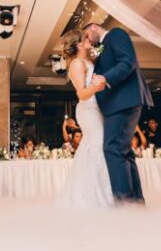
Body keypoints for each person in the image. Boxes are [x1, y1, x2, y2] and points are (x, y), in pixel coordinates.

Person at [84, 23, 153, 205]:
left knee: (112, 148)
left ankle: (124, 203)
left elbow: (127, 61)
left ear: (94, 27)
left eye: (87, 36)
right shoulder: (103, 46)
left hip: (122, 102)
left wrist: (106, 78)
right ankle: (135, 202)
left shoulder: (115, 34)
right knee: (124, 152)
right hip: (118, 104)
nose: (89, 41)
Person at [57, 29, 114, 208]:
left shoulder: (89, 59)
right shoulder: (76, 64)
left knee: (97, 147)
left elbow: (101, 51)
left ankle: (100, 191)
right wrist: (98, 86)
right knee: (97, 146)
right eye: (85, 38)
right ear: (79, 43)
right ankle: (93, 197)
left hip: (98, 109)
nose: (89, 39)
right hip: (88, 110)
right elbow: (81, 93)